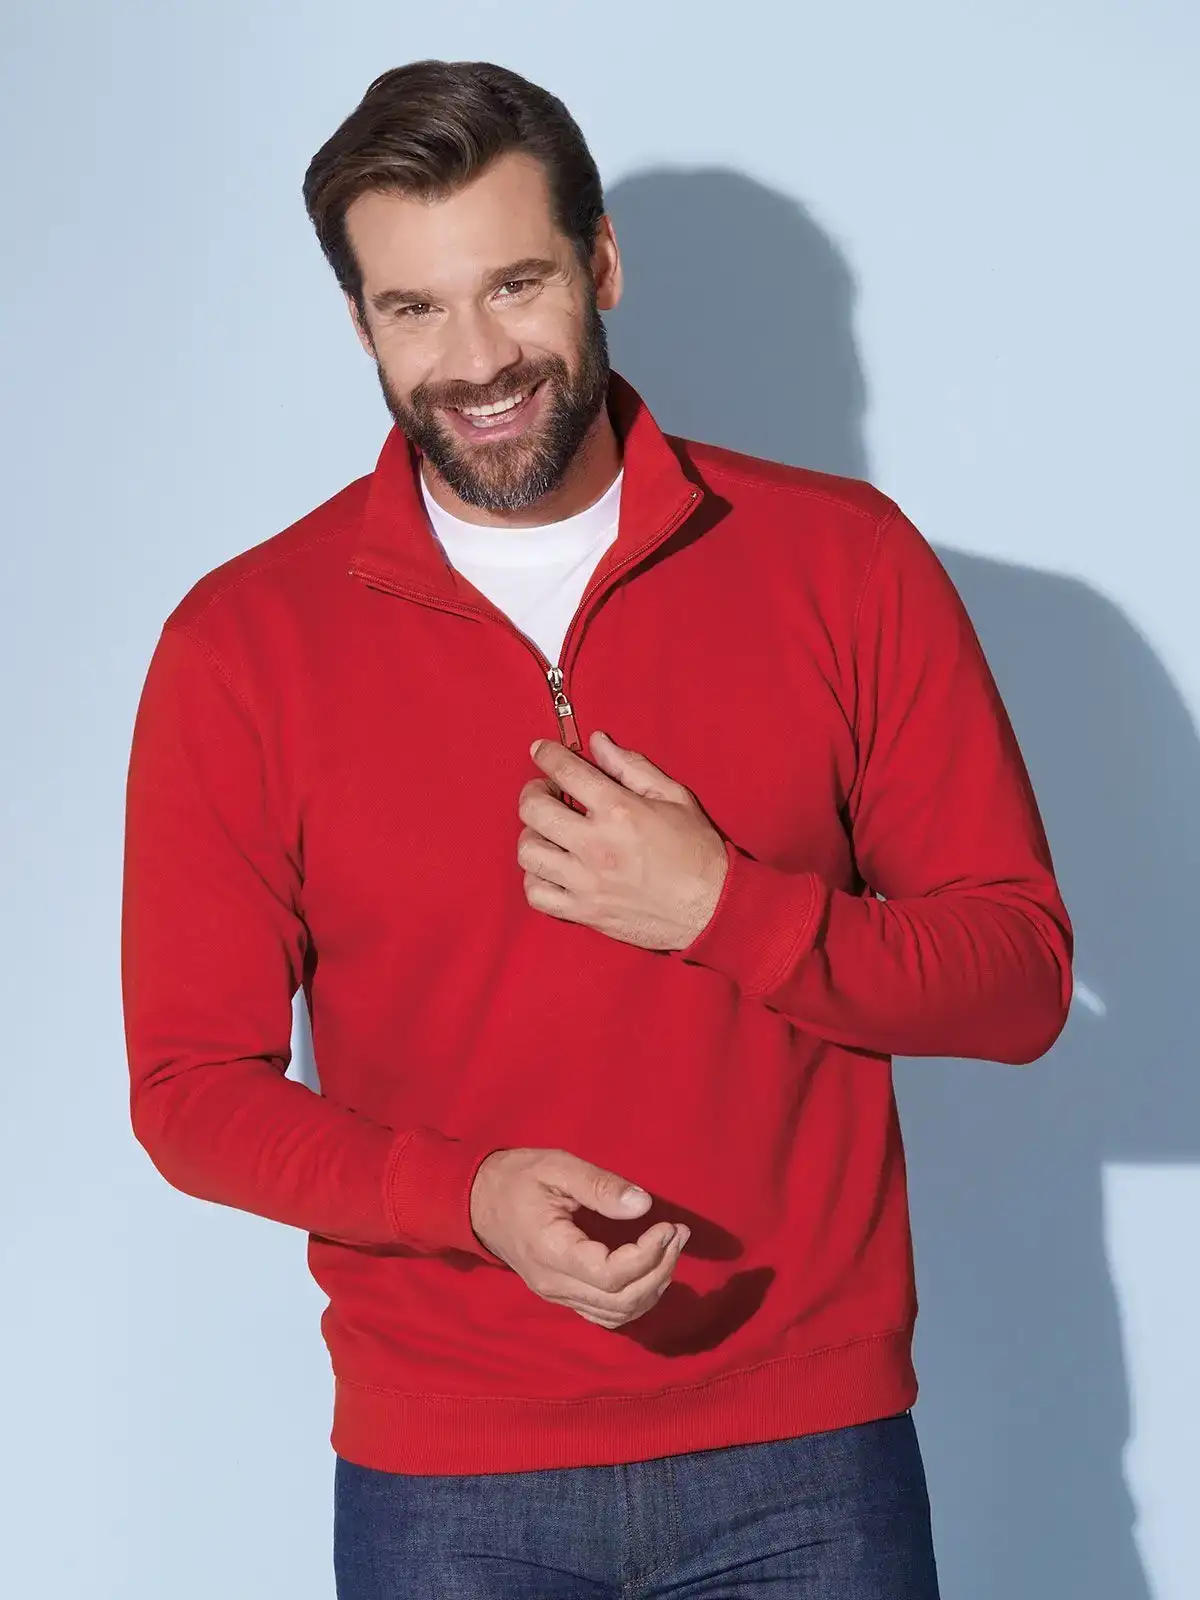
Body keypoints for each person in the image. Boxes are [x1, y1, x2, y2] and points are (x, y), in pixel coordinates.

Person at [121, 58, 1073, 1599]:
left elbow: (1019, 979)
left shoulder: (844, 564)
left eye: (516, 284)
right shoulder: (242, 645)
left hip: (809, 1454)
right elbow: (189, 1091)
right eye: (415, 309)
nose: (477, 360)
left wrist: (728, 911)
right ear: (361, 323)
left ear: (602, 263)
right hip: (447, 1482)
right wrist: (468, 1201)